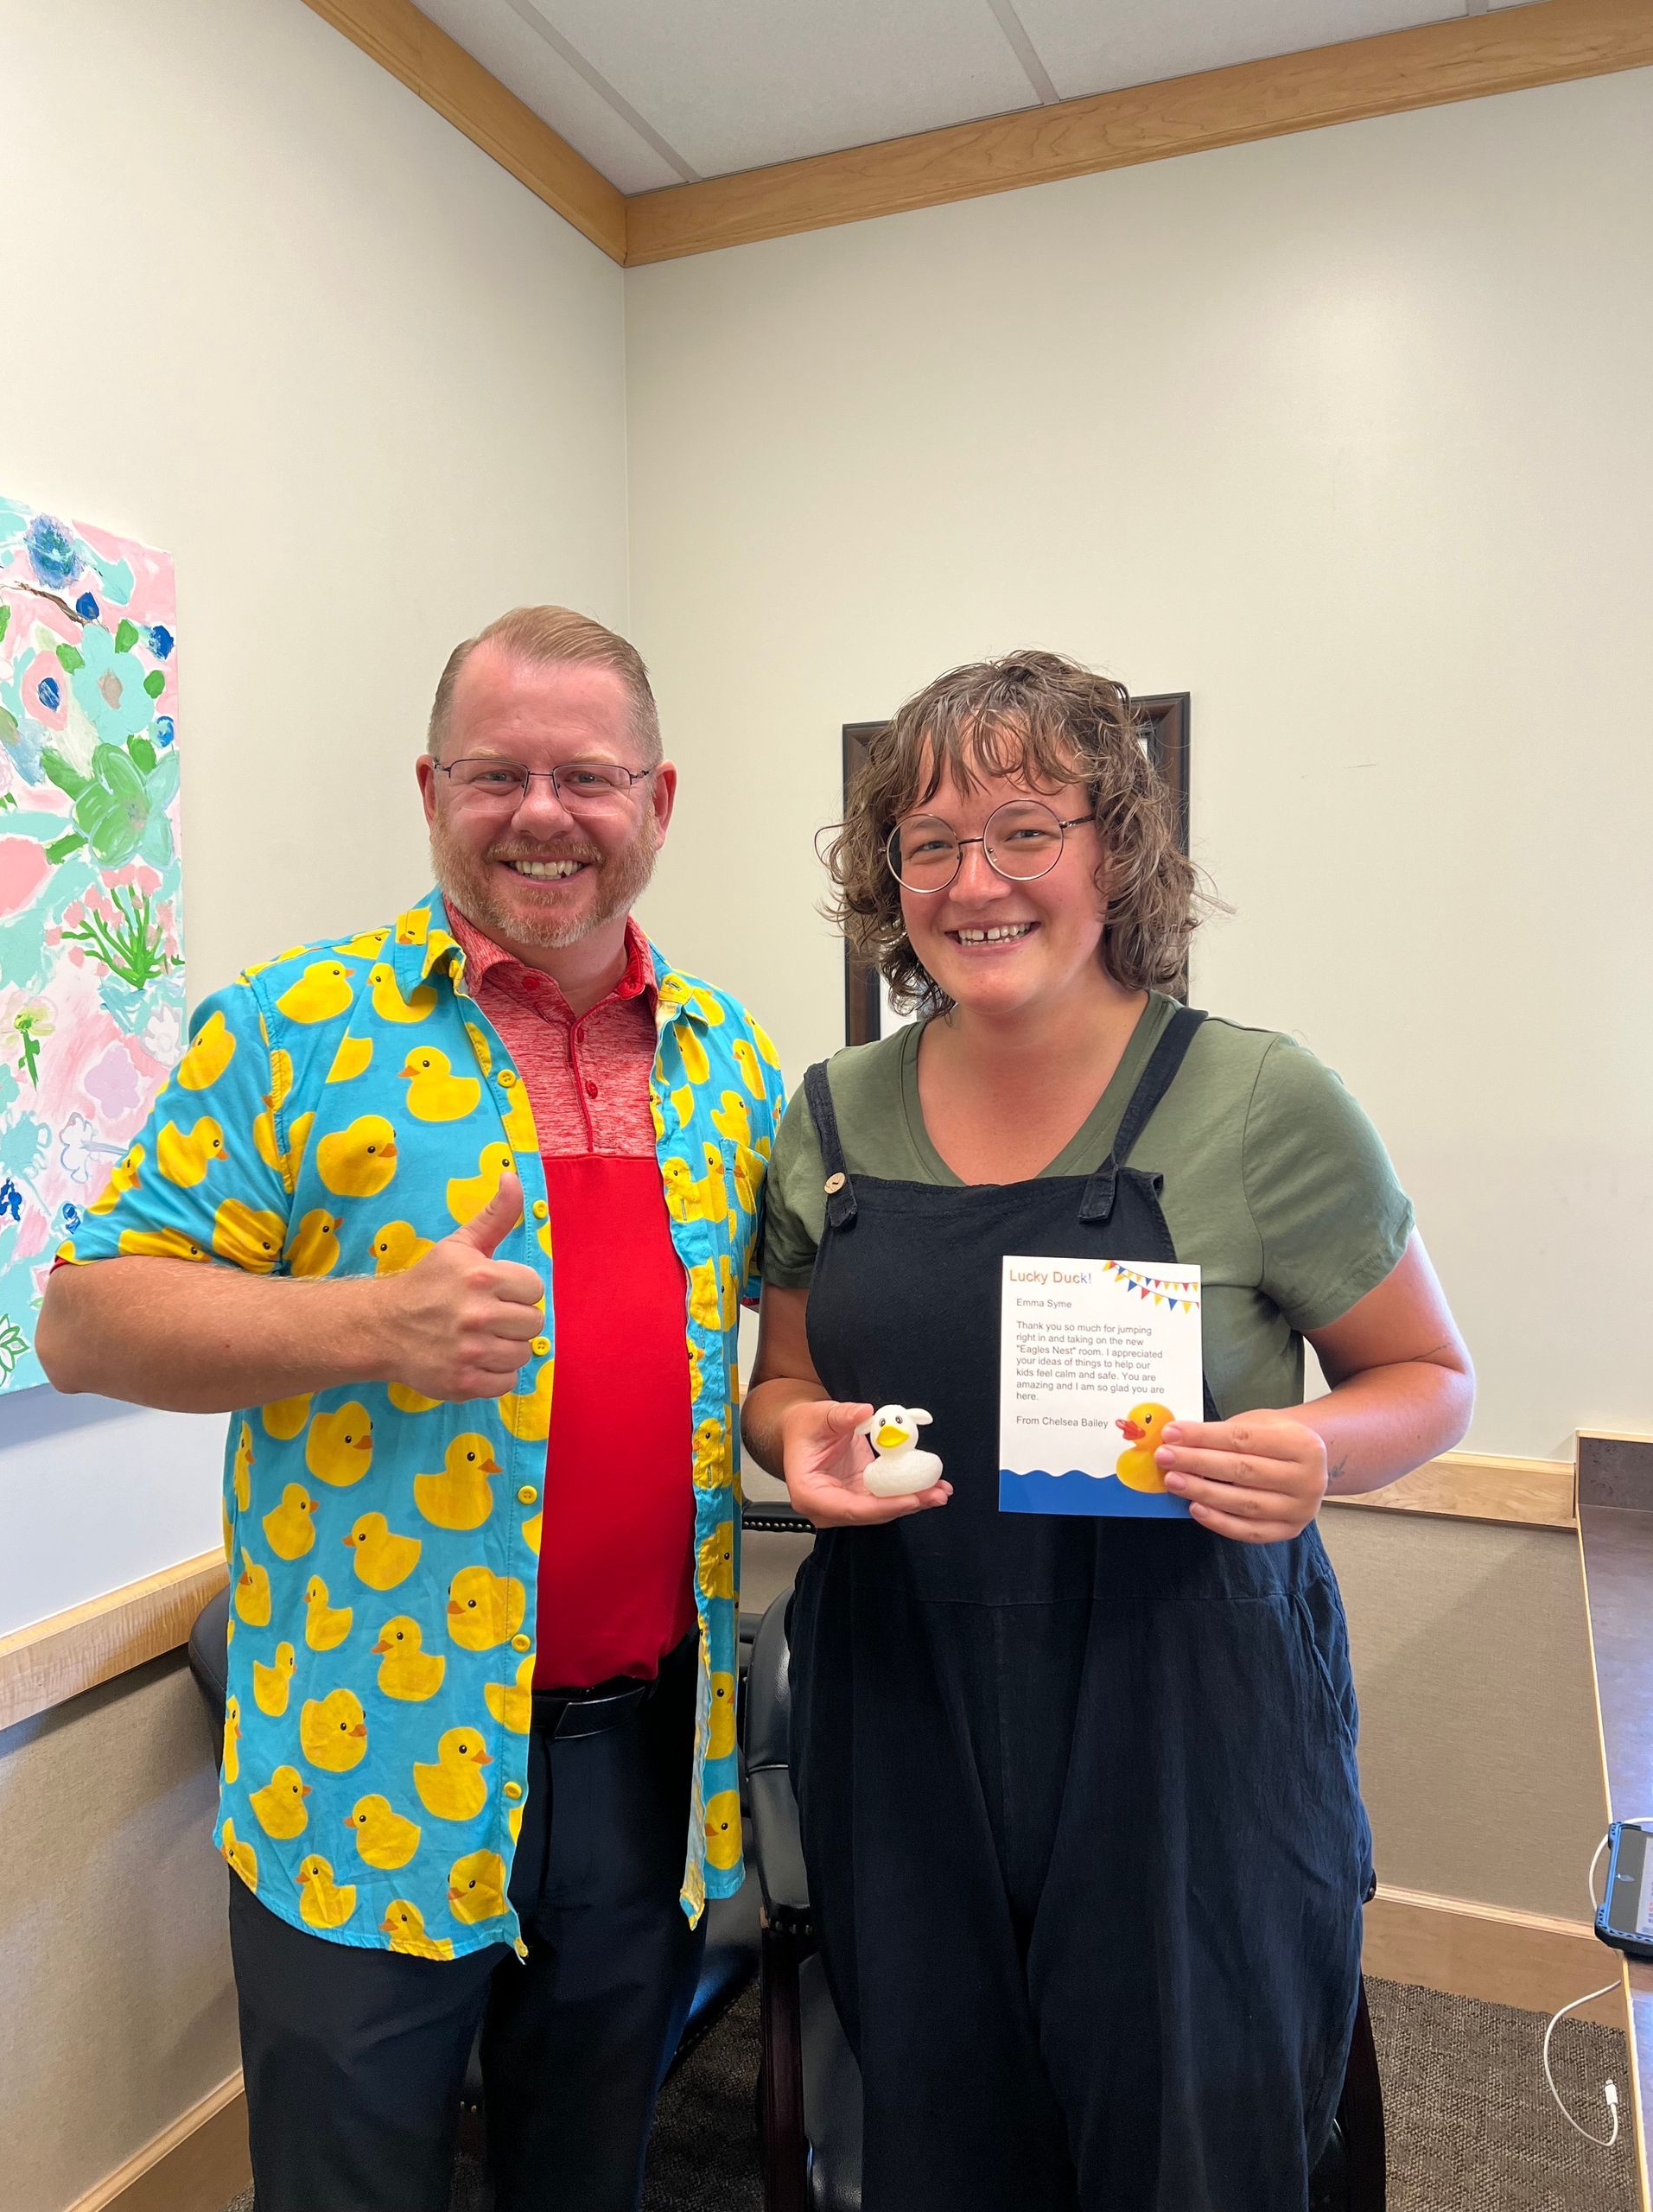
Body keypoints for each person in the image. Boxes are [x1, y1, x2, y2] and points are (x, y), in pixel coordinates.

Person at [37, 606, 784, 2212]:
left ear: (659, 804)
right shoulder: (286, 1030)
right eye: (494, 771)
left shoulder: (730, 1058)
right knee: (350, 2182)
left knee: (587, 2171)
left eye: (588, 776)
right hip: (362, 1751)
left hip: (640, 1752)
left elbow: (760, 1373)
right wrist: (372, 1319)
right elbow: (87, 1319)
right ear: (430, 789)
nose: (542, 813)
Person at [741, 649, 1472, 2212]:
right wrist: (792, 1436)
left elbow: (1429, 1373)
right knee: (941, 2126)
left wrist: (1323, 1453)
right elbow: (785, 1382)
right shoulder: (830, 1116)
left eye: (1024, 830)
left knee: (1189, 2137)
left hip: (1185, 1706)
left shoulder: (1261, 1101)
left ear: (1114, 850)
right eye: (928, 843)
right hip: (905, 1696)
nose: (973, 880)